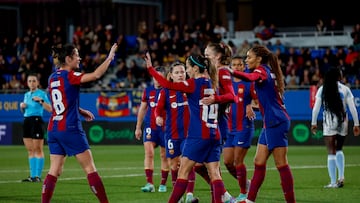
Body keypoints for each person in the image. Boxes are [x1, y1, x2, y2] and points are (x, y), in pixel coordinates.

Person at [145, 52, 235, 203]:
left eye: (187, 67)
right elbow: (231, 97)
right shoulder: (213, 83)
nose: (186, 71)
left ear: (195, 68)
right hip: (214, 134)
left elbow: (167, 85)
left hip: (198, 135)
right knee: (215, 174)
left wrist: (150, 69)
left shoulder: (194, 83)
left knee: (183, 172)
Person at [41, 43, 118, 203]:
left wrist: (80, 110)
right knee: (90, 169)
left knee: (54, 170)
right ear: (68, 59)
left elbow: (59, 100)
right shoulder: (70, 75)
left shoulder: (52, 77)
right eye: (77, 55)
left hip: (54, 128)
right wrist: (110, 58)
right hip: (70, 128)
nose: (79, 58)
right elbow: (96, 75)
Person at [228, 45, 296, 203]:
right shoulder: (266, 71)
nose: (246, 60)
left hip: (275, 122)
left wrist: (230, 71)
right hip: (271, 121)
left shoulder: (261, 71)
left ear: (258, 59)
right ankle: (250, 200)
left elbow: (250, 78)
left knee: (281, 164)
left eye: (249, 57)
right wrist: (253, 107)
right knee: (258, 161)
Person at [155, 61, 198, 202]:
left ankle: (190, 195)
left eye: (182, 72)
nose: (180, 75)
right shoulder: (165, 91)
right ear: (171, 76)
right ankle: (177, 196)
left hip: (189, 134)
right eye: (177, 73)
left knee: (187, 163)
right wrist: (158, 116)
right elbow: (158, 109)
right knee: (173, 165)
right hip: (172, 134)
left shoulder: (191, 88)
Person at [311, 66, 360, 188]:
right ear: (339, 77)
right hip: (342, 121)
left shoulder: (323, 89)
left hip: (329, 121)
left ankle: (333, 182)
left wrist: (313, 123)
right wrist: (356, 124)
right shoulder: (345, 89)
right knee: (339, 149)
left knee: (331, 152)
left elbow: (316, 108)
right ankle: (341, 177)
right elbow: (353, 108)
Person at [224, 56, 258, 202]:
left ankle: (243, 192)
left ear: (244, 67)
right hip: (229, 128)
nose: (237, 67)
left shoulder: (249, 84)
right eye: (234, 65)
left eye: (239, 65)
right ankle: (246, 183)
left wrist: (250, 105)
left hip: (244, 126)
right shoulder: (225, 84)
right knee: (227, 162)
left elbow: (259, 102)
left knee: (238, 161)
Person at [134, 65, 170, 193]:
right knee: (149, 153)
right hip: (150, 126)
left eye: (160, 76)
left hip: (165, 127)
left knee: (164, 156)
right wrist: (138, 127)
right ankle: (149, 183)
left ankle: (163, 184)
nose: (157, 79)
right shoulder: (148, 91)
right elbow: (142, 109)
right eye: (155, 76)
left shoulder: (168, 90)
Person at [20, 73, 52, 182]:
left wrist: (41, 101)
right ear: (27, 83)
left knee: (38, 149)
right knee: (30, 150)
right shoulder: (26, 95)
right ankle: (32, 176)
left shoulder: (42, 94)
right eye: (29, 81)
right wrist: (22, 107)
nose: (32, 83)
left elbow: (50, 109)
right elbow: (24, 110)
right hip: (27, 121)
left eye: (34, 81)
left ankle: (37, 176)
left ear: (37, 82)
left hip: (37, 121)